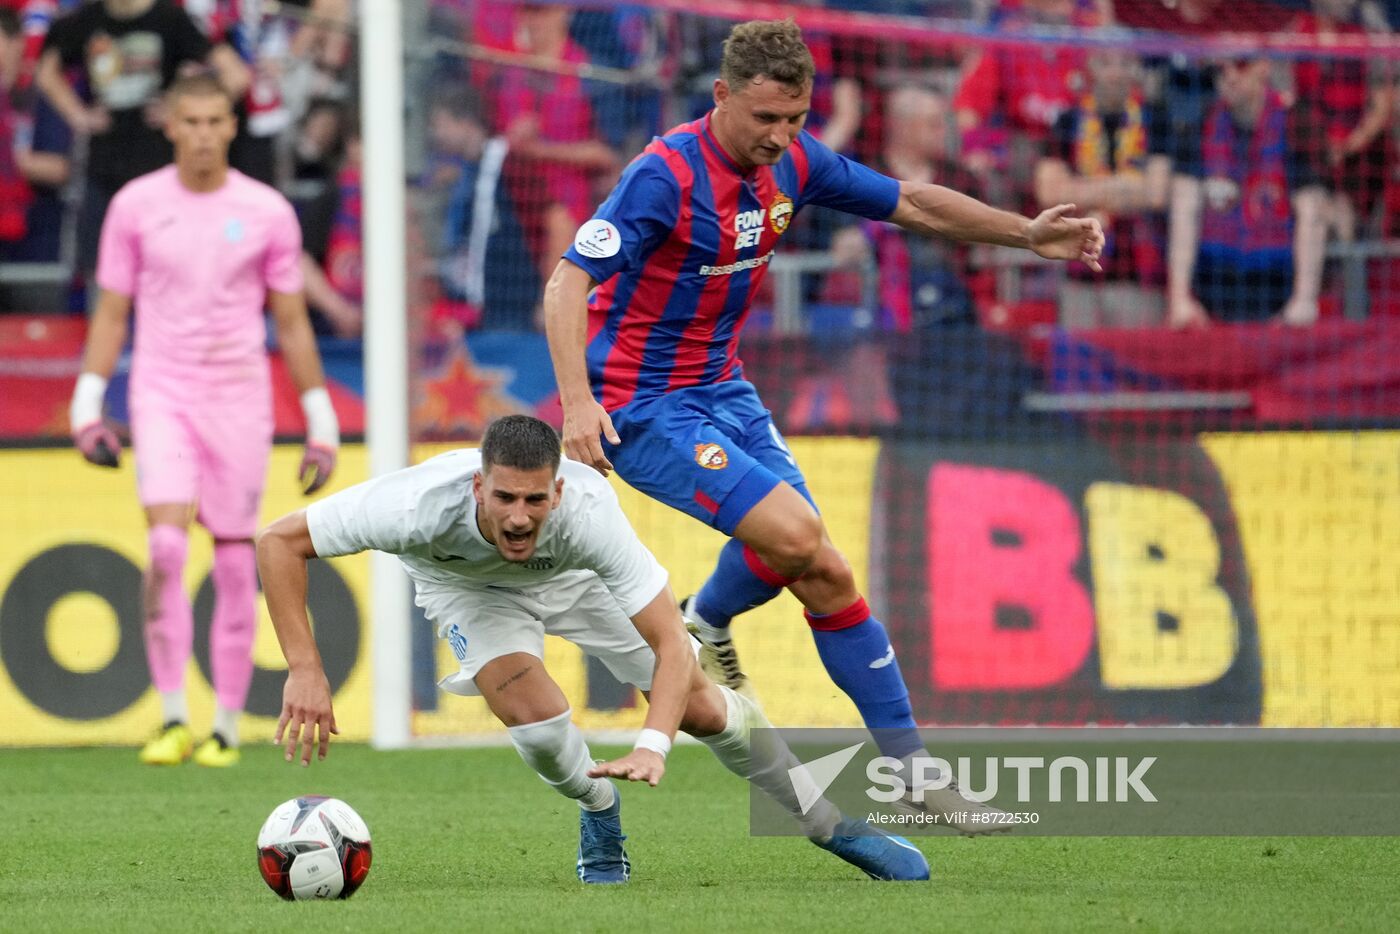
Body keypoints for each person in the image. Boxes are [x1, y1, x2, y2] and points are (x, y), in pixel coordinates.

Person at [543, 19, 1102, 831]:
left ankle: (912, 775)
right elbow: (566, 283)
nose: (780, 137)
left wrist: (1025, 233)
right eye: (764, 118)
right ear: (722, 96)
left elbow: (910, 202)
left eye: (796, 120)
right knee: (799, 537)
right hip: (643, 405)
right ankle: (705, 619)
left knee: (826, 572)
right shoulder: (661, 176)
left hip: (721, 389)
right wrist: (576, 404)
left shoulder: (797, 162)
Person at [255, 415, 930, 884]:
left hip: (574, 581)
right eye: (503, 498)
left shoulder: (589, 512)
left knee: (700, 707)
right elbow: (278, 542)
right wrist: (307, 669)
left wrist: (653, 743)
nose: (518, 516)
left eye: (534, 499)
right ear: (476, 488)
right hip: (469, 591)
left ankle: (826, 822)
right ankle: (597, 810)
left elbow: (671, 639)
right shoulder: (410, 506)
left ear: (558, 489)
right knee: (538, 721)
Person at [67, 73, 339, 768]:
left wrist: (320, 420)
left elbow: (291, 321)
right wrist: (87, 404)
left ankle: (223, 725)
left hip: (239, 396)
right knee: (164, 548)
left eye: (216, 121)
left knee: (232, 560)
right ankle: (171, 717)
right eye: (191, 121)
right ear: (169, 124)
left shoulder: (267, 210)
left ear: (231, 125)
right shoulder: (135, 205)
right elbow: (111, 311)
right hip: (162, 390)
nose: (204, 134)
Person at [35, 0, 248, 285]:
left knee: (170, 272)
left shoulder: (169, 18)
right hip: (103, 170)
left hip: (162, 170)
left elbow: (236, 75)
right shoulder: (87, 20)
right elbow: (46, 73)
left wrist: (179, 107)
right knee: (103, 277)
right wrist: (78, 116)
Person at [1167, 57, 1329, 326]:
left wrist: (1303, 299)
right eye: (1222, 67)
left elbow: (1313, 217)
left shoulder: (1298, 124)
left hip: (1278, 301)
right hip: (1211, 304)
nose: (1229, 76)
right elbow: (1184, 212)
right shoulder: (1199, 125)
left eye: (1240, 65)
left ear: (1263, 67)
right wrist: (1179, 298)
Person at [1035, 48, 1171, 328]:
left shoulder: (1156, 119)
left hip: (1139, 274)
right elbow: (1049, 193)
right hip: (1080, 270)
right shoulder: (1068, 120)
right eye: (1107, 62)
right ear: (1091, 68)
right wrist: (1127, 188)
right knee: (1078, 361)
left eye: (1124, 62)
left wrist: (1079, 190)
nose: (1116, 72)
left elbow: (1157, 194)